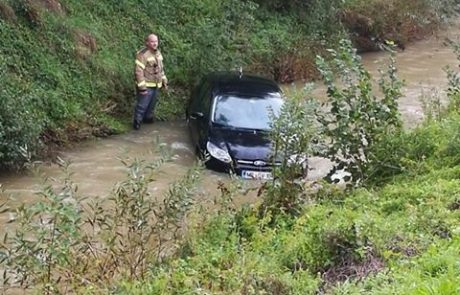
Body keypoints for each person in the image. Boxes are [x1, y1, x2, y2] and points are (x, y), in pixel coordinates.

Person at [133, 33, 168, 130]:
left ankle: (147, 120)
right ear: (147, 43)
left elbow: (161, 69)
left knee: (151, 106)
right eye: (152, 41)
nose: (155, 43)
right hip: (146, 85)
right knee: (142, 106)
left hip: (156, 85)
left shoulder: (158, 53)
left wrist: (164, 80)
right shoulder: (143, 54)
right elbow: (138, 72)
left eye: (156, 41)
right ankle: (137, 123)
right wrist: (142, 88)